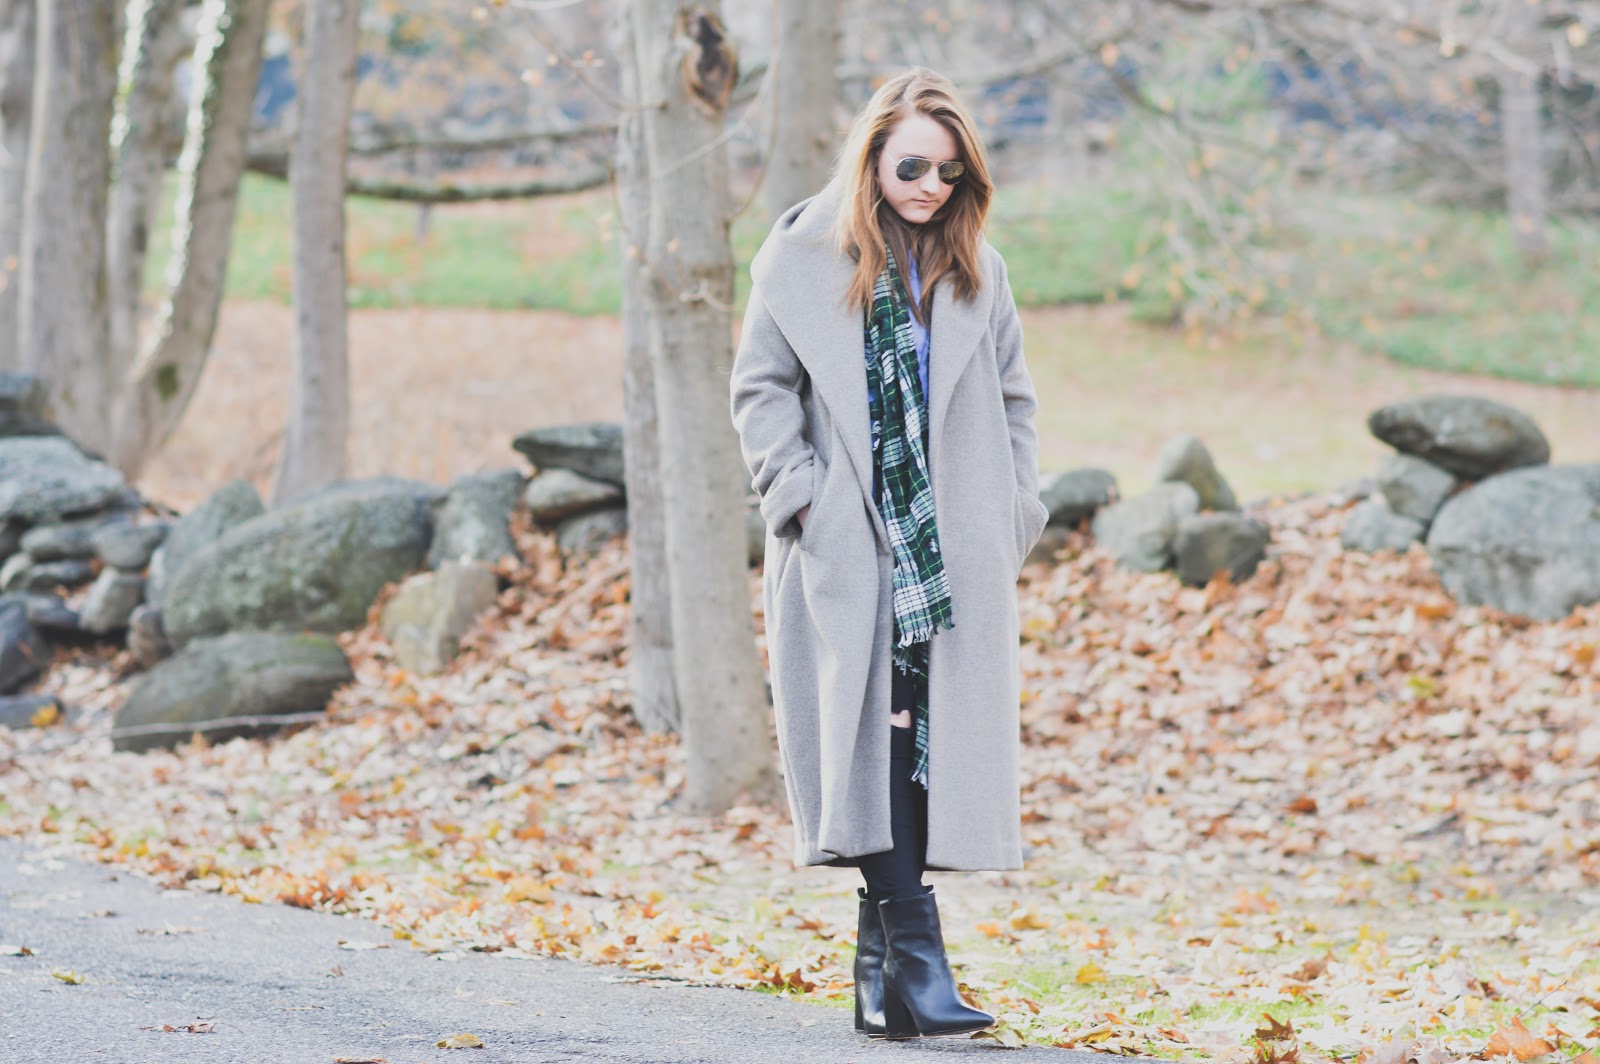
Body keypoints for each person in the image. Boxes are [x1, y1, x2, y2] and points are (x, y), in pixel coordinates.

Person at [729, 67, 1048, 1040]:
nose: (929, 188)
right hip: (845, 542)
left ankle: (881, 983)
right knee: (868, 740)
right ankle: (920, 956)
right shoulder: (799, 259)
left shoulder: (977, 272)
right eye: (912, 166)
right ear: (870, 156)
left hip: (950, 549)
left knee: (913, 749)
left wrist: (1014, 509)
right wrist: (800, 497)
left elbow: (1014, 399)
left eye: (949, 172)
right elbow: (759, 390)